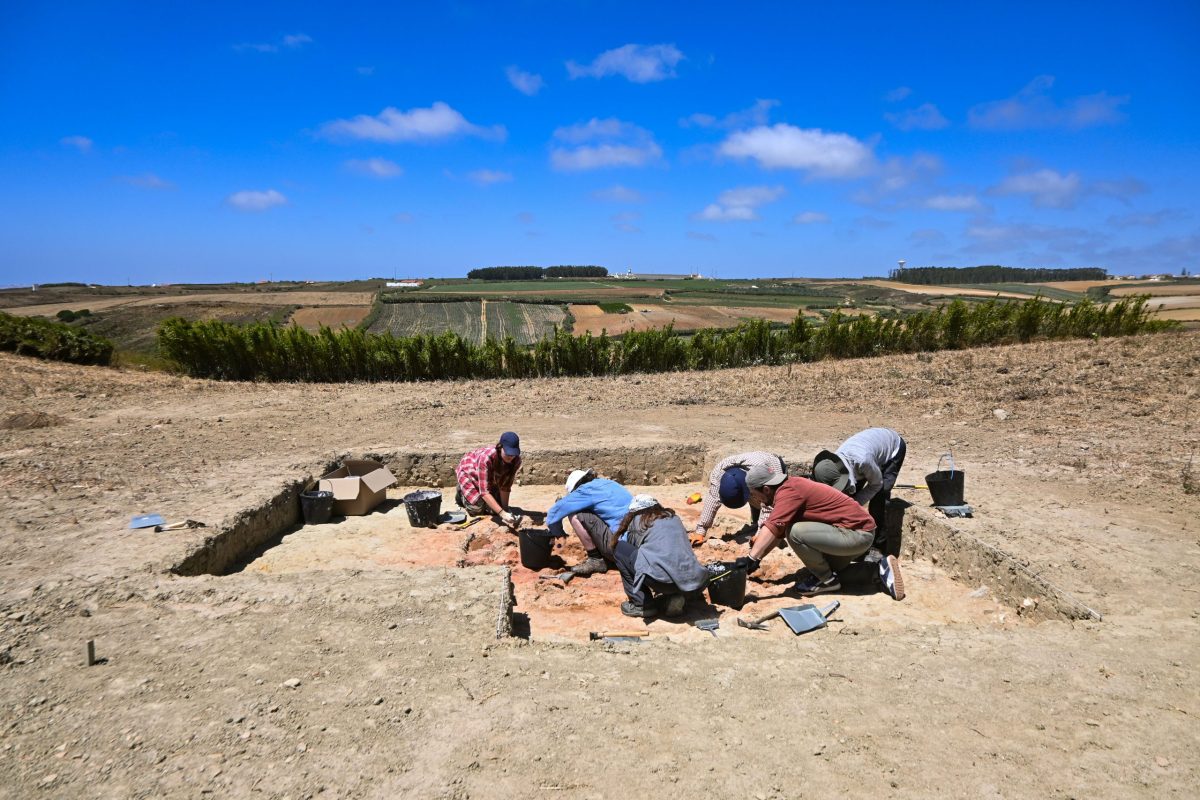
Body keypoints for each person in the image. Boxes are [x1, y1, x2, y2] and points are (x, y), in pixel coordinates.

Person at [734, 464, 904, 600]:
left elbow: (773, 527)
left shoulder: (788, 492)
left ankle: (826, 581)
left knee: (795, 532)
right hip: (853, 533)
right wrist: (756, 559)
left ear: (766, 489)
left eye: (755, 494)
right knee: (822, 571)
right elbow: (775, 533)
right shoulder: (790, 487)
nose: (756, 499)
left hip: (857, 535)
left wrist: (751, 558)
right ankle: (878, 570)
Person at [610, 495, 710, 618]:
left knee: (620, 549)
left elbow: (636, 555)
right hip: (693, 581)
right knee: (664, 557)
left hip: (663, 582)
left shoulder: (640, 520)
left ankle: (642, 604)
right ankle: (675, 596)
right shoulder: (673, 517)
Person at [811, 427, 907, 553]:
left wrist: (854, 504)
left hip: (893, 449)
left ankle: (878, 548)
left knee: (879, 501)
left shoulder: (863, 461)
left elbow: (876, 485)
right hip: (867, 453)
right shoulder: (832, 465)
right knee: (848, 499)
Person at [544, 468, 633, 576]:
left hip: (620, 549)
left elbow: (554, 513)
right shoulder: (608, 483)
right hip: (634, 547)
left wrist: (558, 533)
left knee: (575, 514)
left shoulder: (585, 490)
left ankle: (595, 559)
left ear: (576, 487)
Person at [692, 452, 787, 541]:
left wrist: (760, 535)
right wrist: (700, 531)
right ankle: (755, 523)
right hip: (751, 471)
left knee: (777, 507)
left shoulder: (763, 475)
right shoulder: (719, 474)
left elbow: (768, 506)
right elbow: (712, 499)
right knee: (757, 509)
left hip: (773, 468)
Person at [454, 432, 522, 529]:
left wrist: (505, 510)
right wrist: (502, 514)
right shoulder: (486, 458)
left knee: (494, 510)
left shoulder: (516, 461)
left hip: (489, 478)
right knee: (476, 510)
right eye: (507, 453)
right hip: (469, 473)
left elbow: (505, 486)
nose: (510, 457)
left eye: (513, 454)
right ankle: (461, 494)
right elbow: (484, 492)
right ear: (500, 447)